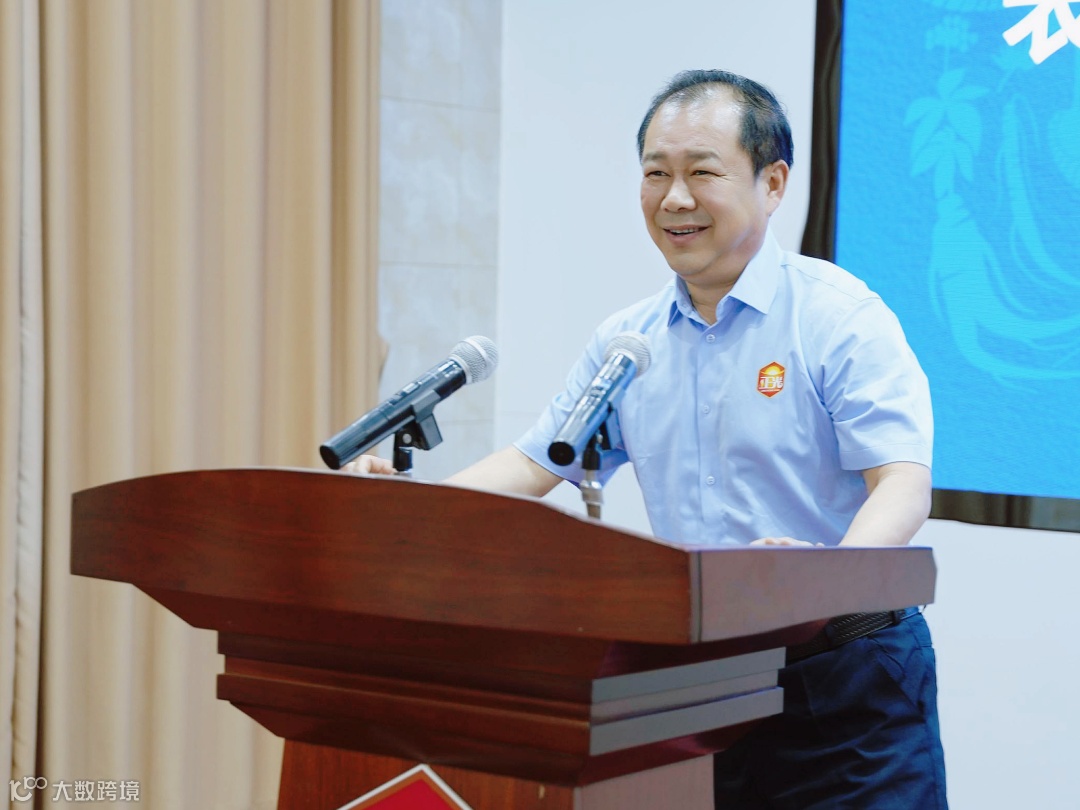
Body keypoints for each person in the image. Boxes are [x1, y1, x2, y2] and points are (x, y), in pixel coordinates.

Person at [349, 69, 947, 809]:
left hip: (846, 673)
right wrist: (405, 514)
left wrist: (823, 580)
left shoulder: (837, 316)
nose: (675, 199)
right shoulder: (628, 343)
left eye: (703, 173)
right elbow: (533, 465)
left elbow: (902, 483)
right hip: (704, 682)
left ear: (772, 183)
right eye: (656, 174)